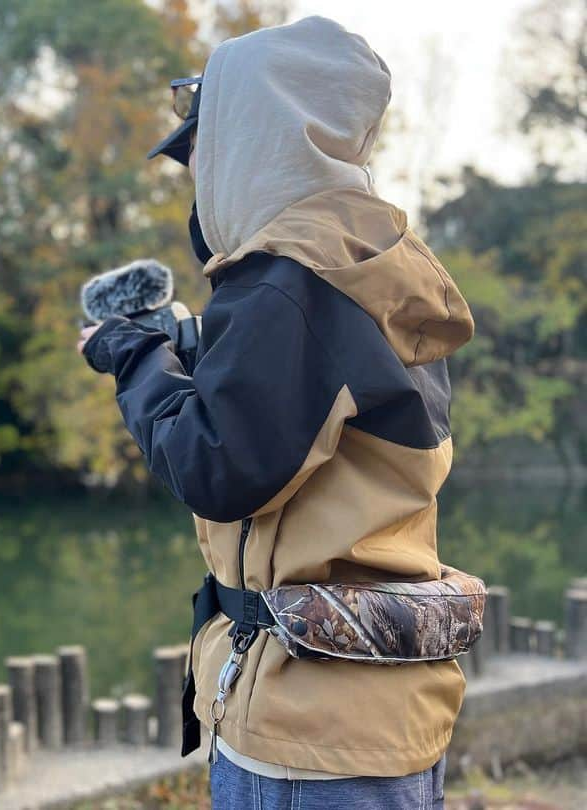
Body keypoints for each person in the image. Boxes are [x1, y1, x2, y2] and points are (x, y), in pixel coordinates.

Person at [79, 16, 473, 809]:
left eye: (202, 152)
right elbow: (312, 419)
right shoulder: (369, 265)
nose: (198, 178)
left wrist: (132, 354)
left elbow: (216, 468)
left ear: (252, 139)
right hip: (383, 717)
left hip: (308, 738)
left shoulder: (283, 282)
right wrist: (191, 347)